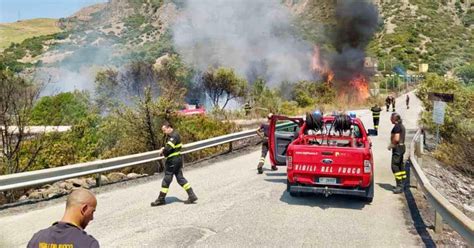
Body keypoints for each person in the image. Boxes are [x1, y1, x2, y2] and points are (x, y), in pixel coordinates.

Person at [27, 188, 99, 248]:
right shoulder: (88, 244)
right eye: (92, 212)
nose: (92, 218)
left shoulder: (37, 239)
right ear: (84, 209)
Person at [151, 121, 197, 206]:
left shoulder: (173, 136)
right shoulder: (173, 135)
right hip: (177, 160)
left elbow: (168, 148)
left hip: (172, 161)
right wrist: (165, 148)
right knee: (180, 178)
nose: (164, 132)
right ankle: (192, 195)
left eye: (164, 130)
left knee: (167, 179)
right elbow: (170, 147)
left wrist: (162, 151)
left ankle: (161, 199)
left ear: (169, 128)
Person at [388, 113, 406, 194]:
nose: (390, 119)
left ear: (394, 119)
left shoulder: (397, 126)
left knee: (394, 166)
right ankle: (403, 184)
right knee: (400, 165)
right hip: (401, 148)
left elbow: (396, 138)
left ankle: (399, 185)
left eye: (391, 118)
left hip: (398, 148)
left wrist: (391, 145)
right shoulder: (401, 125)